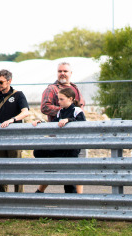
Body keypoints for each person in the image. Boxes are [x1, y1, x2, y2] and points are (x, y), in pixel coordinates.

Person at [40, 62, 86, 193]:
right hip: (58, 135)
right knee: (53, 167)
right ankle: (40, 191)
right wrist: (63, 112)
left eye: (65, 71)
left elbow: (80, 109)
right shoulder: (52, 89)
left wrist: (69, 114)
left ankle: (78, 198)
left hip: (75, 137)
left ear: (71, 73)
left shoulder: (75, 89)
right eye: (60, 71)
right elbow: (45, 107)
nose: (62, 73)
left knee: (77, 167)